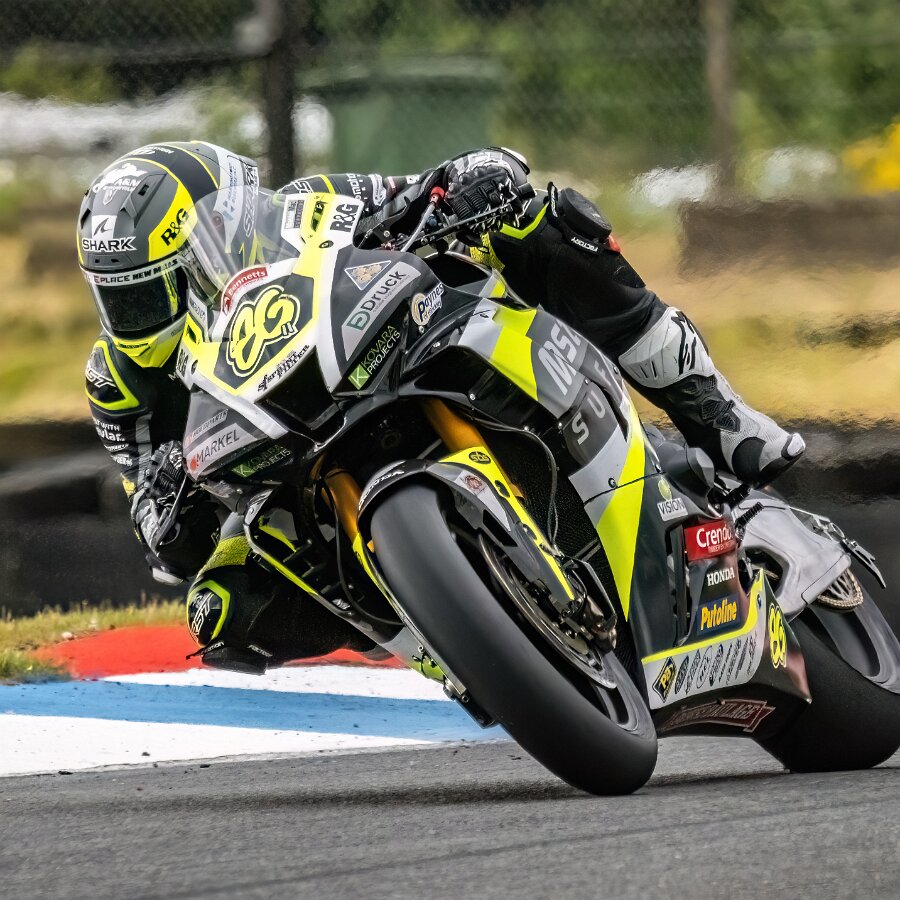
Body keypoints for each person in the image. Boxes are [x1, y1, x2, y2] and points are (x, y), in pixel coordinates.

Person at [79, 141, 804, 673]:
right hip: (283, 480)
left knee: (536, 221)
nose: (133, 320)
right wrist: (165, 507)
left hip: (383, 361)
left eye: (147, 294)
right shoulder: (118, 384)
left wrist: (470, 177)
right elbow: (155, 525)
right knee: (220, 609)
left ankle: (717, 414)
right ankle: (447, 640)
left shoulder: (304, 209)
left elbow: (417, 192)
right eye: (117, 300)